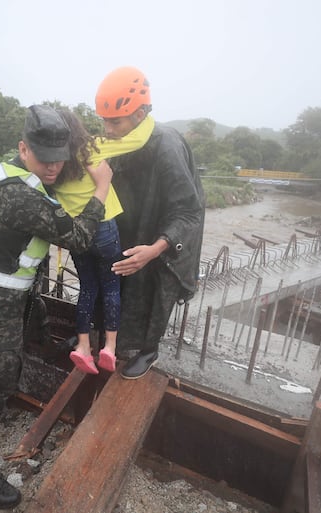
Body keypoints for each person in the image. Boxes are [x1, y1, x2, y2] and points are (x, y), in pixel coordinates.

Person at [0, 104, 112, 509]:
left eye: (61, 159)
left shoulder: (16, 175)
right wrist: (101, 186)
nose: (54, 168)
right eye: (45, 159)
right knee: (0, 378)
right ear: (23, 149)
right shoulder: (20, 197)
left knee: (30, 339)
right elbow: (80, 237)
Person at [94, 66, 205, 380]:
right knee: (116, 279)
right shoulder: (116, 143)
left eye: (114, 121)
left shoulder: (166, 144)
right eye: (103, 120)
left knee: (156, 290)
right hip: (131, 225)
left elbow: (188, 211)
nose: (108, 129)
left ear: (140, 114)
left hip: (166, 231)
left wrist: (156, 248)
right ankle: (107, 340)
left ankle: (148, 350)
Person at [52, 109, 154, 374]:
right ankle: (109, 347)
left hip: (75, 233)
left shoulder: (53, 162)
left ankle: (84, 347)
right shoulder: (89, 148)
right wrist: (147, 114)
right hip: (103, 227)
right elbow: (137, 140)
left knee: (87, 287)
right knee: (111, 287)